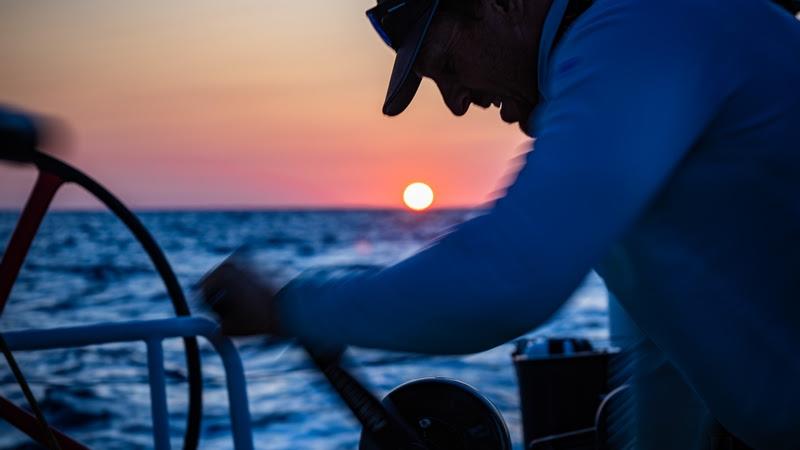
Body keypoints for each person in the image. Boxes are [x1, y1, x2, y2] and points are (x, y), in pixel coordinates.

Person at [200, 0, 800, 448]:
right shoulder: (629, 67)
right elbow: (660, 361)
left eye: (447, 64)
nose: (458, 102)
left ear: (497, 4)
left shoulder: (640, 27)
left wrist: (289, 306)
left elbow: (506, 279)